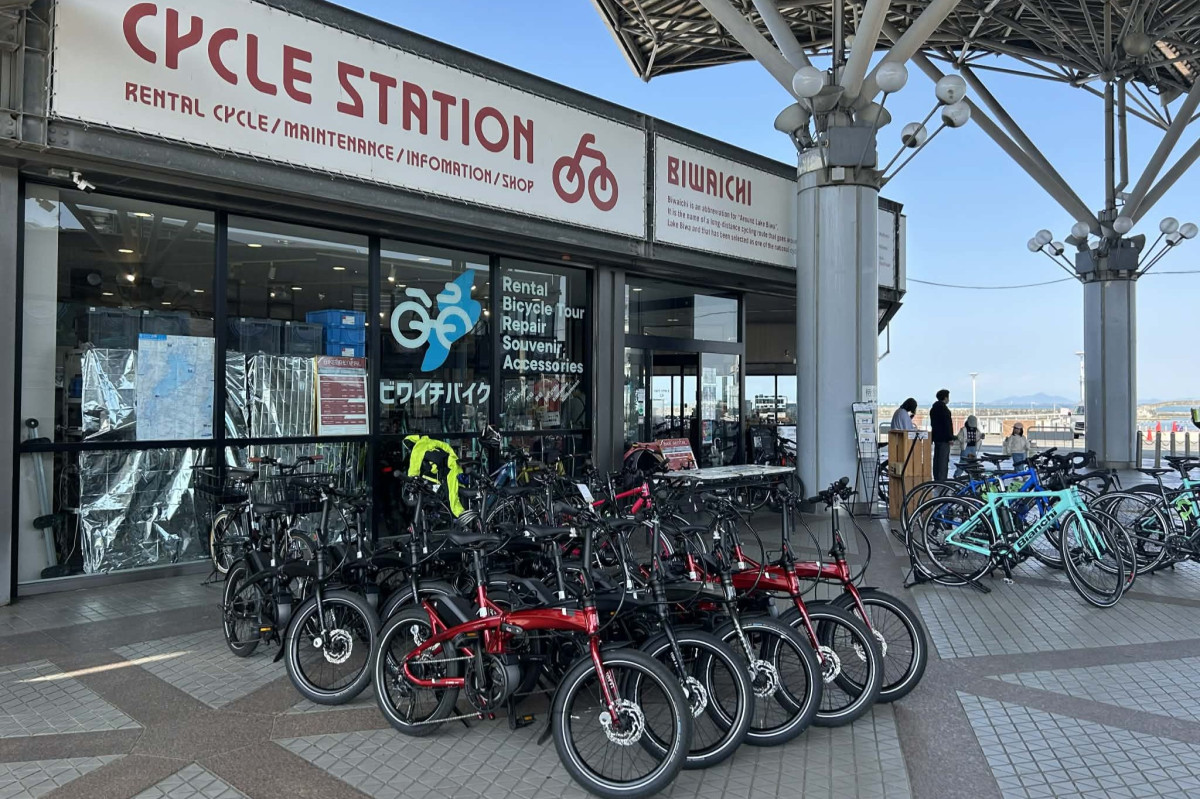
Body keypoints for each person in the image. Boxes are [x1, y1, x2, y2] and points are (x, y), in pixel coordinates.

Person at [930, 389, 954, 482]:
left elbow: (933, 424)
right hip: (944, 438)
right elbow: (947, 425)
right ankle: (942, 480)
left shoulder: (933, 409)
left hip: (936, 437)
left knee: (937, 459)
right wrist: (950, 438)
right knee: (943, 460)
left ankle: (936, 478)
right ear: (945, 397)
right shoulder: (945, 410)